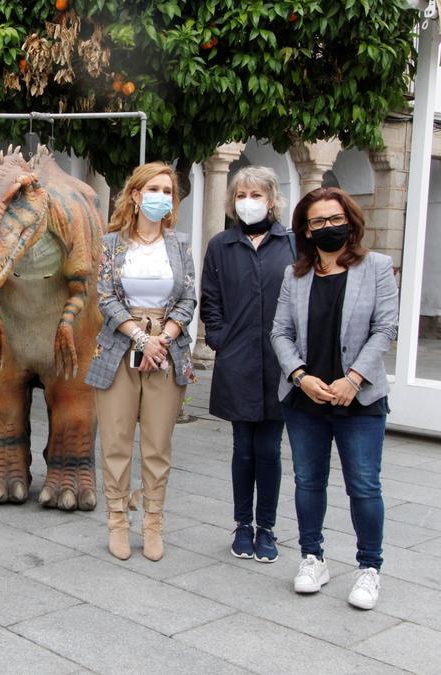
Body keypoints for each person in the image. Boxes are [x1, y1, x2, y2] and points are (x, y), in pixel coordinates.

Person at [271, 186, 398, 610]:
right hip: (306, 399)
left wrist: (354, 378)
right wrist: (300, 376)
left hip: (358, 401)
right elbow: (280, 333)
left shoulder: (377, 267)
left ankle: (369, 568)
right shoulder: (296, 275)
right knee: (308, 481)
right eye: (318, 222)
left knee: (363, 485)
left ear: (350, 221)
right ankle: (313, 558)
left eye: (334, 219)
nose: (328, 227)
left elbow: (385, 329)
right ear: (305, 230)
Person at [84, 161, 196, 562]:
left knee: (156, 445)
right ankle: (117, 520)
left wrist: (162, 339)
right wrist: (141, 338)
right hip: (120, 347)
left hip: (167, 348)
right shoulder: (112, 244)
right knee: (115, 441)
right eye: (154, 190)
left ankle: (153, 522)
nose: (161, 198)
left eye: (168, 191)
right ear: (134, 195)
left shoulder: (180, 245)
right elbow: (105, 297)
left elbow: (188, 299)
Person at [201, 166, 295, 564]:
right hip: (237, 360)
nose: (248, 202)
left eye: (256, 195)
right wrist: (220, 340)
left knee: (270, 450)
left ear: (271, 199)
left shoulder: (291, 244)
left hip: (279, 363)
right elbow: (210, 300)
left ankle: (267, 528)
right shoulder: (221, 245)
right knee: (243, 449)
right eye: (241, 195)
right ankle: (242, 525)